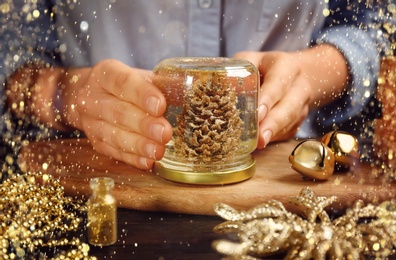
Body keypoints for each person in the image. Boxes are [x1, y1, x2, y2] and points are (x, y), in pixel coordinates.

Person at [0, 0, 393, 170]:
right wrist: (64, 94)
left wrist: (316, 73)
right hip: (97, 175)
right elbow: (13, 47)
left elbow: (375, 24)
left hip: (286, 184)